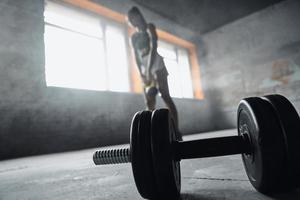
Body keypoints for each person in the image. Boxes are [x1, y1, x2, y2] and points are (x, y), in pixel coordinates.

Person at [127, 6, 182, 140]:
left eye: (136, 16)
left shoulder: (150, 27)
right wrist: (141, 73)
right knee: (149, 102)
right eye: (131, 18)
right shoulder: (133, 37)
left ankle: (176, 131)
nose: (134, 20)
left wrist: (151, 69)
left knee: (165, 96)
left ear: (140, 15)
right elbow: (136, 57)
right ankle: (155, 134)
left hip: (157, 63)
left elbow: (154, 47)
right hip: (145, 68)